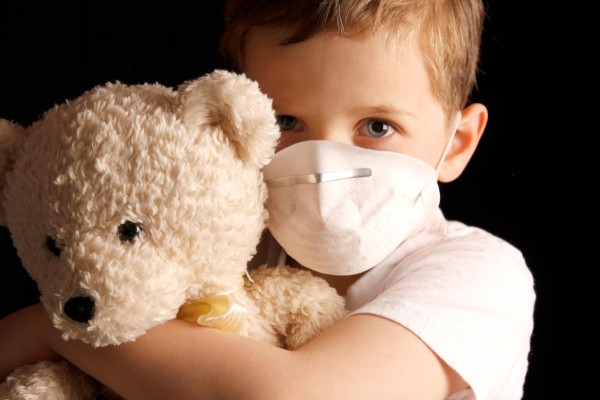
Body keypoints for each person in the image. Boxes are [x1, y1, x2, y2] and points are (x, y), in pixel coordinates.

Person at [0, 1, 536, 399]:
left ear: (456, 143)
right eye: (286, 121)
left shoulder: (479, 275)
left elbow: (292, 397)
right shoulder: (223, 249)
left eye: (377, 126)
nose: (323, 162)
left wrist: (55, 328)